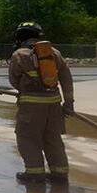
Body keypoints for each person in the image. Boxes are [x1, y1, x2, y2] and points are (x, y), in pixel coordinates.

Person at [9, 21, 74, 184]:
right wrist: (68, 103)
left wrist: (26, 89)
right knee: (53, 138)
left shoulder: (20, 55)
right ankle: (60, 174)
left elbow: (13, 80)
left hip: (31, 106)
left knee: (28, 137)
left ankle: (34, 173)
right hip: (54, 105)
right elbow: (66, 79)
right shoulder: (54, 53)